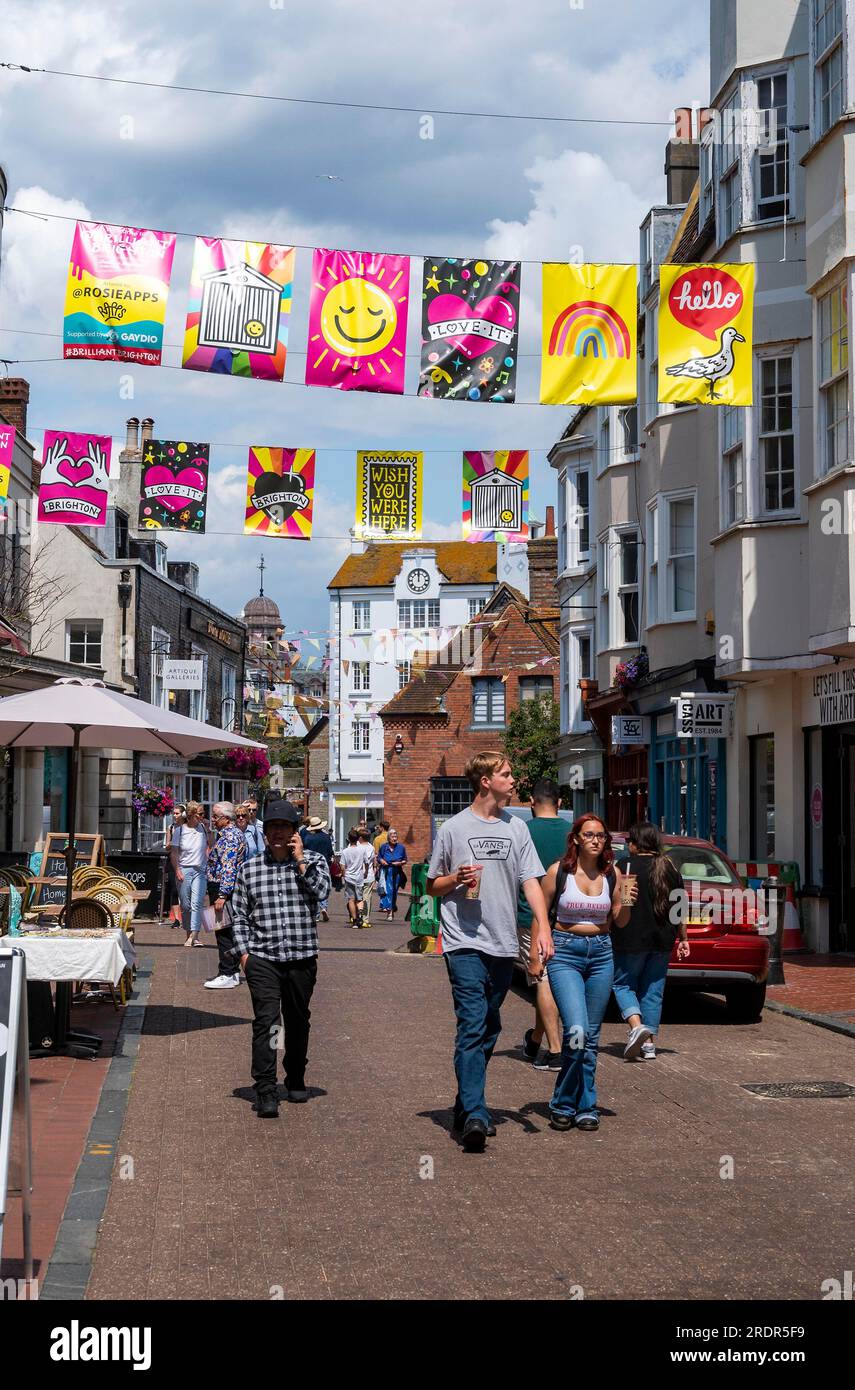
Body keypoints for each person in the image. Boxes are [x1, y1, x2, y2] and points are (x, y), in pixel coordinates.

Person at [427, 752, 552, 1153]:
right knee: (472, 1022)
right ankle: (476, 1115)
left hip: (503, 942)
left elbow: (531, 881)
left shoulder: (517, 827)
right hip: (463, 940)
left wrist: (543, 926)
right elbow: (431, 886)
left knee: (490, 1026)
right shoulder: (454, 828)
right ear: (485, 781)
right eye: (506, 774)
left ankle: (465, 1102)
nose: (513, 780)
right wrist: (455, 879)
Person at [232, 800, 331, 1119]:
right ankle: (265, 1088)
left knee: (297, 1020)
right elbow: (239, 915)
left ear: (294, 832)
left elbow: (322, 894)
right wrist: (245, 953)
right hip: (263, 957)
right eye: (272, 827)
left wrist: (301, 861)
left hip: (301, 955)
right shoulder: (249, 868)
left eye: (284, 827)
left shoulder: (313, 860)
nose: (277, 832)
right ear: (265, 831)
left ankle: (296, 1075)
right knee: (267, 1022)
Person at [540, 815, 635, 1132]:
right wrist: (535, 951)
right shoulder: (559, 872)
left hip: (602, 953)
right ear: (576, 838)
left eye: (602, 836)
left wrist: (629, 902)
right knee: (577, 1030)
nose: (597, 840)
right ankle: (564, 1102)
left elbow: (620, 922)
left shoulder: (613, 874)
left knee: (590, 1037)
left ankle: (584, 1106)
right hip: (565, 952)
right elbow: (541, 913)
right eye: (590, 835)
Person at [613, 822, 689, 1061]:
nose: (628, 845)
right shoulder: (669, 867)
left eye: (629, 841)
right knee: (653, 991)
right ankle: (649, 1045)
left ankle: (636, 1026)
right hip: (662, 939)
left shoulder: (624, 866)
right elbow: (679, 907)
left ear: (635, 843)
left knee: (623, 985)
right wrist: (684, 938)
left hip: (629, 938)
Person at [516, 780, 567, 1071]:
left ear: (533, 803)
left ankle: (554, 1049)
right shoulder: (572, 833)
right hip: (568, 916)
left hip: (531, 916)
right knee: (547, 982)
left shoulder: (524, 831)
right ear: (559, 803)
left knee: (544, 980)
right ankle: (536, 1038)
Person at [203, 802, 247, 989]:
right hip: (222, 887)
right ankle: (231, 971)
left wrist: (222, 894)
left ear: (226, 818)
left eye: (215, 816)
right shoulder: (232, 834)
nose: (212, 819)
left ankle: (228, 972)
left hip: (222, 888)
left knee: (224, 931)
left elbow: (229, 867)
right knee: (225, 930)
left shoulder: (229, 837)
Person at [170, 801, 209, 946]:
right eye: (200, 814)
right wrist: (177, 870)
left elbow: (210, 845)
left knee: (197, 903)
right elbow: (174, 853)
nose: (203, 816)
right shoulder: (180, 831)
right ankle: (189, 934)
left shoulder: (204, 828)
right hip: (184, 869)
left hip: (200, 870)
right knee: (186, 905)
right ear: (192, 814)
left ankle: (194, 935)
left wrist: (209, 830)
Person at [300, 816, 334, 922]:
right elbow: (330, 851)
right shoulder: (326, 837)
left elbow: (304, 851)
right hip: (324, 863)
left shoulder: (308, 838)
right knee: (323, 884)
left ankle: (317, 913)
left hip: (311, 863)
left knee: (313, 885)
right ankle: (323, 906)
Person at [341, 828, 373, 927]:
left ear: (348, 839)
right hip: (359, 876)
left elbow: (342, 866)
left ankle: (354, 920)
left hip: (349, 877)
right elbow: (366, 863)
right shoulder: (362, 850)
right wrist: (366, 872)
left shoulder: (345, 851)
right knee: (360, 899)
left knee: (351, 899)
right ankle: (360, 914)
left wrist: (343, 874)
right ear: (358, 838)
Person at [377, 828, 407, 918]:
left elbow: (405, 859)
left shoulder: (401, 847)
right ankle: (389, 911)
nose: (394, 838)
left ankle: (391, 908)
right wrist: (382, 861)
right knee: (387, 891)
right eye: (392, 836)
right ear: (388, 838)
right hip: (386, 871)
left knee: (394, 891)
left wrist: (400, 863)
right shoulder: (384, 847)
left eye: (395, 836)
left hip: (397, 872)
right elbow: (379, 857)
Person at [165, 805, 186, 926]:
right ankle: (177, 919)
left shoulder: (187, 828)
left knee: (185, 890)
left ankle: (186, 916)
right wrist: (172, 843)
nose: (174, 815)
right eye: (174, 813)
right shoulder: (171, 827)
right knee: (174, 890)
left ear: (183, 815)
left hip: (185, 861)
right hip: (173, 861)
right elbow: (167, 845)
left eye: (177, 813)